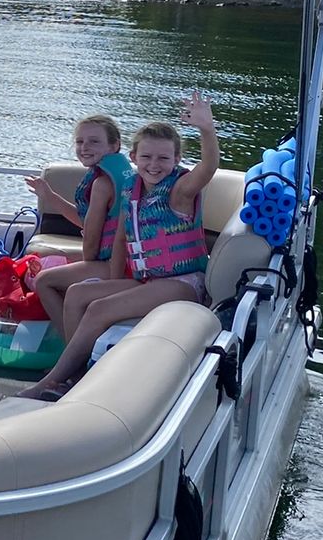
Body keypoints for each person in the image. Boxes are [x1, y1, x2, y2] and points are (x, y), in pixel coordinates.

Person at [19, 90, 219, 401]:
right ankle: (77, 374)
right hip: (148, 280)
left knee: (99, 308)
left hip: (184, 283)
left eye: (164, 158)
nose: (154, 165)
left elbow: (208, 168)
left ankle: (54, 381)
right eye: (147, 157)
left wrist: (206, 129)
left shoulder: (180, 191)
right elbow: (122, 239)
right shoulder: (132, 190)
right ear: (134, 158)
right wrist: (111, 283)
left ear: (177, 160)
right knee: (78, 294)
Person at [23, 114, 125, 324]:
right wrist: (49, 196)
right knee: (50, 265)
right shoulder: (117, 175)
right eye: (79, 141)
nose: (84, 147)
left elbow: (91, 240)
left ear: (114, 145)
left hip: (116, 265)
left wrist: (86, 267)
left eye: (94, 141)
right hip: (121, 259)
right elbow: (85, 221)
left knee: (44, 281)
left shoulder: (102, 184)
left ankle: (69, 338)